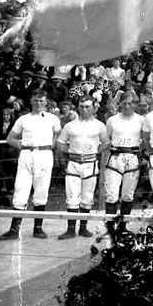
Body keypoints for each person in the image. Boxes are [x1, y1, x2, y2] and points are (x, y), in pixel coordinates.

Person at [0, 89, 61, 240]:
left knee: (42, 189)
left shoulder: (52, 118)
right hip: (26, 155)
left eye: (41, 100)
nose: (38, 103)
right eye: (35, 100)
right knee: (21, 188)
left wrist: (53, 143)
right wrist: (19, 144)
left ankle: (38, 229)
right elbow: (10, 138)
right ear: (31, 101)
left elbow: (60, 134)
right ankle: (14, 230)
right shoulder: (23, 119)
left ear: (46, 102)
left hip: (44, 155)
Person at [56, 95, 109, 240]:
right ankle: (70, 230)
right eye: (81, 106)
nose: (84, 109)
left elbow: (106, 143)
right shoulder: (70, 125)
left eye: (87, 107)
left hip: (90, 163)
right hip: (73, 163)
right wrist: (71, 151)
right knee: (72, 196)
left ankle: (83, 228)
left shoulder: (100, 125)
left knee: (87, 197)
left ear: (93, 108)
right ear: (77, 107)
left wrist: (94, 151)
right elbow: (60, 143)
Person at [102, 92, 144, 231]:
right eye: (124, 103)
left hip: (132, 157)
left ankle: (123, 227)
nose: (127, 106)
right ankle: (110, 228)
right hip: (115, 157)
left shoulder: (141, 120)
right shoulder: (112, 120)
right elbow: (107, 138)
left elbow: (144, 139)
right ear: (120, 103)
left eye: (130, 103)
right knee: (111, 194)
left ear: (135, 104)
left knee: (128, 195)